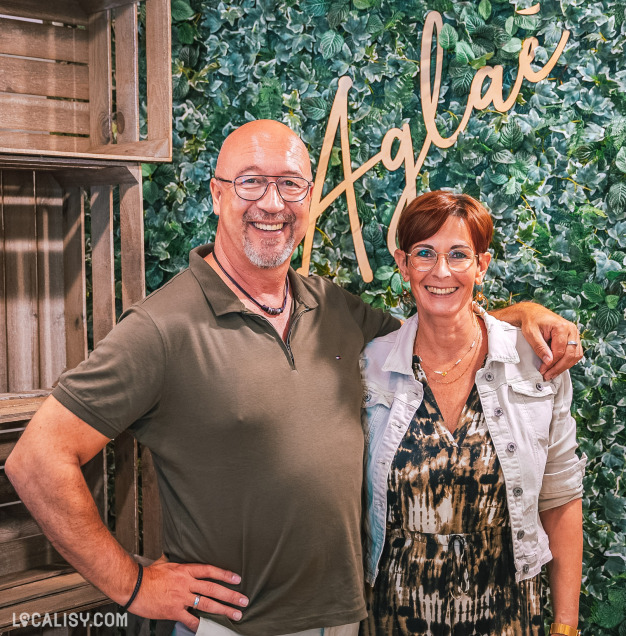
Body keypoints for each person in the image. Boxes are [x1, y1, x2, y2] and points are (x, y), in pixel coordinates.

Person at [6, 121, 582, 636]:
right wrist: (131, 584)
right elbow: (36, 460)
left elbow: (436, 327)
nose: (271, 202)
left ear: (308, 197)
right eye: (250, 182)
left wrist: (523, 316)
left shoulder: (331, 308)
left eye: (290, 184)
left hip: (347, 616)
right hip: (235, 627)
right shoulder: (162, 328)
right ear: (216, 194)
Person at [360, 191, 585, 636]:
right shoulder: (370, 368)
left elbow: (561, 499)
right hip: (393, 614)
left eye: (458, 255)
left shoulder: (537, 362)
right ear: (404, 265)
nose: (441, 271)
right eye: (425, 253)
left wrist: (565, 627)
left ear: (481, 266)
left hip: (506, 614)